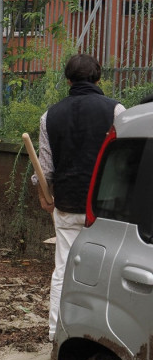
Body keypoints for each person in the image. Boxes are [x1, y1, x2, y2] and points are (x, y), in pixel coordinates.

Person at [35, 53, 125, 341]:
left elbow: (45, 168)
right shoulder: (117, 111)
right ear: (98, 78)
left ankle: (54, 332)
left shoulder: (50, 116)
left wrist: (44, 195)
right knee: (108, 271)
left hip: (68, 204)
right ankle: (106, 335)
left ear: (68, 80)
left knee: (63, 268)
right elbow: (125, 162)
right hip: (106, 208)